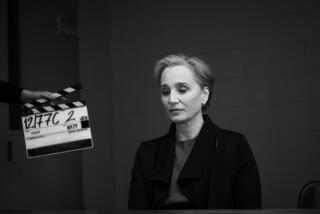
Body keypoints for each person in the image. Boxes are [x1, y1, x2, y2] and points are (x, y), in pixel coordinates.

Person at [128, 54, 261, 209]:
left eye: (182, 90)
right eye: (165, 92)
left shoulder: (234, 146)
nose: (172, 99)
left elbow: (250, 210)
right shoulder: (146, 153)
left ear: (204, 95)